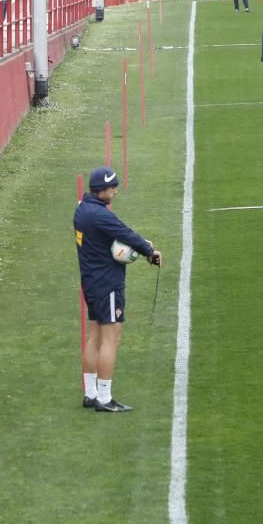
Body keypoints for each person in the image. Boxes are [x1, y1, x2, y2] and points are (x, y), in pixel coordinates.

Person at [73, 167, 161, 412]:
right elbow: (125, 234)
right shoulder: (101, 215)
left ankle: (90, 394)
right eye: (113, 188)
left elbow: (111, 237)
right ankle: (104, 398)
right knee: (111, 339)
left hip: (91, 282)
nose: (116, 191)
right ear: (102, 190)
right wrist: (149, 251)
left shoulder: (82, 210)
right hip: (107, 284)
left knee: (95, 338)